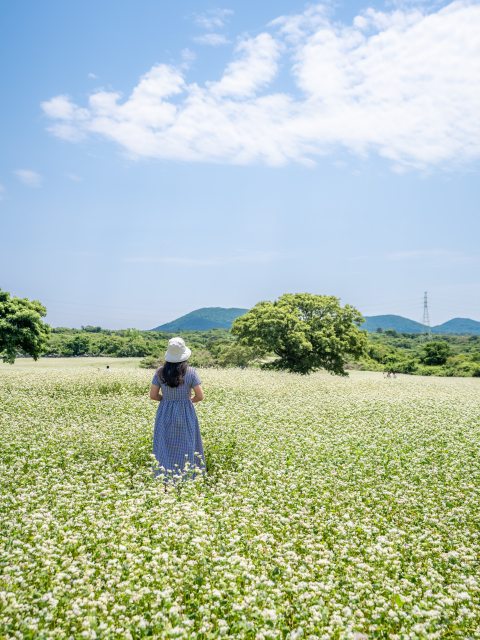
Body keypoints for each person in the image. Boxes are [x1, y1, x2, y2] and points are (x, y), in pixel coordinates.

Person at [150, 337, 205, 482]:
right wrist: (186, 402)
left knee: (164, 445)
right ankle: (187, 479)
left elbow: (153, 395)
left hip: (165, 411)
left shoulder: (159, 372)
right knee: (187, 445)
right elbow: (200, 396)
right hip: (186, 412)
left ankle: (165, 479)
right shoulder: (191, 372)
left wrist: (168, 401)